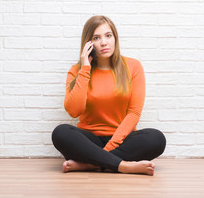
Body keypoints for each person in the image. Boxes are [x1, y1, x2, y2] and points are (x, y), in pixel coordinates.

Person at [51, 15, 166, 176]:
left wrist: (108, 149)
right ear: (88, 44)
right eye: (96, 38)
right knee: (60, 133)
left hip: (123, 139)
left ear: (115, 38)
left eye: (108, 35)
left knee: (156, 138)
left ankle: (90, 165)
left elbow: (134, 113)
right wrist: (85, 68)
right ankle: (123, 166)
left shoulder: (133, 66)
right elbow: (74, 111)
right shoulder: (77, 70)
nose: (104, 42)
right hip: (89, 141)